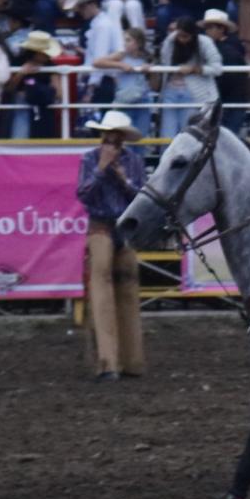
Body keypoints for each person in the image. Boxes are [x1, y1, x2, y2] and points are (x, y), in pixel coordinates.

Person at [76, 110, 146, 383]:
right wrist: (102, 169)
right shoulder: (89, 160)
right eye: (109, 136)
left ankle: (131, 361)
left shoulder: (134, 162)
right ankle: (108, 363)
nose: (111, 141)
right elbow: (83, 194)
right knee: (102, 292)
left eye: (116, 137)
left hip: (123, 228)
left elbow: (140, 196)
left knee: (128, 292)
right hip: (101, 227)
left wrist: (121, 178)